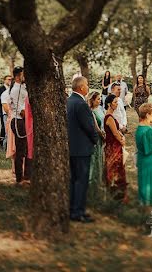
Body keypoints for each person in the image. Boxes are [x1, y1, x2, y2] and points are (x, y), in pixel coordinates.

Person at [68, 76, 100, 221]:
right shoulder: (81, 103)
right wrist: (95, 140)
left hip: (72, 147)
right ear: (81, 87)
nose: (88, 87)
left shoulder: (69, 101)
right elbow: (89, 126)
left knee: (74, 180)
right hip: (81, 148)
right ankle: (77, 212)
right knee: (81, 180)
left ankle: (74, 208)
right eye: (87, 85)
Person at [7, 67, 31, 185]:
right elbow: (22, 110)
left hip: (24, 121)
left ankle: (27, 176)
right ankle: (19, 178)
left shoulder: (23, 87)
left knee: (27, 150)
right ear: (17, 76)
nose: (25, 76)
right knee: (21, 150)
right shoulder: (16, 90)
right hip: (19, 121)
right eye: (23, 74)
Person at [103, 94, 127, 201]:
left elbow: (117, 132)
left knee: (117, 167)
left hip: (114, 144)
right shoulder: (109, 117)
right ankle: (115, 192)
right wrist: (122, 141)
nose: (117, 104)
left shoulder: (111, 116)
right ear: (109, 104)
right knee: (115, 167)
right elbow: (115, 133)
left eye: (117, 102)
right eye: (115, 102)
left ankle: (118, 191)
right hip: (113, 146)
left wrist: (121, 136)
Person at [87, 91, 105, 198]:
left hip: (102, 136)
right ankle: (92, 186)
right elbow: (96, 128)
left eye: (100, 99)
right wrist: (103, 136)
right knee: (94, 159)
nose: (100, 100)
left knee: (100, 159)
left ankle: (98, 183)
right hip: (97, 137)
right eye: (98, 99)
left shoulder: (100, 109)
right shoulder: (91, 112)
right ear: (92, 100)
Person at [0, 74, 11, 149]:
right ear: (4, 80)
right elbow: (1, 101)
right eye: (8, 79)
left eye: (10, 79)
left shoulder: (12, 90)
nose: (9, 81)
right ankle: (3, 145)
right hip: (4, 111)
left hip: (10, 112)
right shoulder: (1, 90)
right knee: (5, 128)